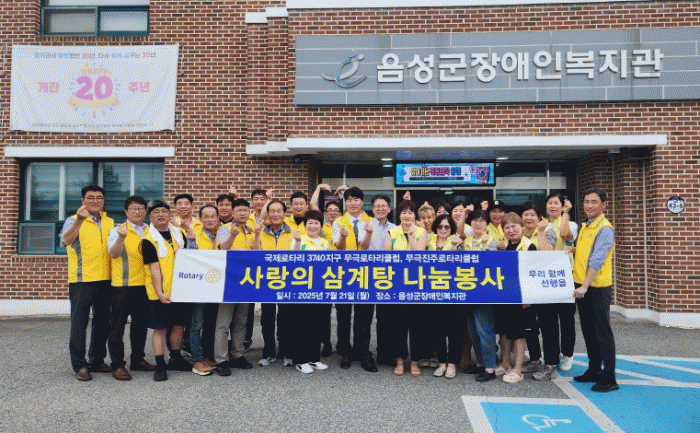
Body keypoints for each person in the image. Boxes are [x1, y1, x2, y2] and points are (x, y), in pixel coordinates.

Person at [62, 185, 115, 381]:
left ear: (103, 201)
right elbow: (67, 241)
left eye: (99, 197)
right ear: (83, 201)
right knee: (79, 324)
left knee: (102, 323)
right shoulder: (72, 220)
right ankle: (80, 365)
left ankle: (97, 360)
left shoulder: (109, 222)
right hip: (82, 280)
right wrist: (79, 220)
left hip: (106, 280)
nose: (95, 201)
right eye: (90, 197)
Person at [142, 199, 197, 381]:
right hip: (160, 292)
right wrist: (160, 293)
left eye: (164, 211)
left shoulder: (178, 234)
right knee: (160, 328)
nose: (161, 215)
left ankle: (175, 358)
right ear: (150, 217)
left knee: (179, 325)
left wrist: (190, 236)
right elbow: (154, 269)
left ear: (169, 215)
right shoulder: (148, 239)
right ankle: (160, 365)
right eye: (156, 212)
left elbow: (191, 256)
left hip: (179, 289)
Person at [573, 188, 618, 392]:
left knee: (602, 332)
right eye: (586, 201)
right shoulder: (587, 225)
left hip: (596, 287)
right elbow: (586, 252)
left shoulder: (604, 228)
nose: (589, 205)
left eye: (594, 202)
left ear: (604, 205)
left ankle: (609, 377)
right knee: (589, 330)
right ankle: (593, 369)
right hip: (582, 285)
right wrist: (572, 249)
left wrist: (585, 285)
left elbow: (597, 258)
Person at [106, 195, 154, 381]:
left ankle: (138, 359)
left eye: (141, 208)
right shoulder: (118, 230)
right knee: (117, 327)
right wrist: (121, 238)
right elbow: (113, 253)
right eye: (133, 208)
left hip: (144, 286)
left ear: (146, 212)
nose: (137, 212)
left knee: (140, 326)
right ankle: (118, 365)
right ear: (126, 212)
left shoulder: (150, 230)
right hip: (123, 286)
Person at [332, 186, 377, 372]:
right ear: (345, 202)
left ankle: (363, 352)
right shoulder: (338, 222)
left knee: (364, 316)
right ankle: (345, 352)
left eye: (356, 199)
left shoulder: (371, 221)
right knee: (343, 316)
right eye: (349, 200)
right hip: (343, 274)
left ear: (362, 202)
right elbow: (338, 247)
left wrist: (368, 232)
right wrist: (343, 237)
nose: (353, 203)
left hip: (366, 274)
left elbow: (369, 247)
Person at [384, 200, 428, 377]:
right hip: (396, 285)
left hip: (416, 285)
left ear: (415, 215)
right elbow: (386, 256)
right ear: (399, 215)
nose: (407, 215)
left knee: (416, 325)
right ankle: (400, 360)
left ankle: (415, 362)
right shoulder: (391, 232)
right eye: (404, 212)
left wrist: (410, 236)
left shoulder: (421, 232)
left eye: (410, 212)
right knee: (397, 326)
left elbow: (419, 254)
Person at [214, 198, 257, 376]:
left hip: (246, 281)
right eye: (239, 210)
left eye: (245, 210)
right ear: (233, 213)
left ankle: (237, 354)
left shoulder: (250, 229)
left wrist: (258, 234)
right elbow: (222, 249)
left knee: (241, 320)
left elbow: (257, 252)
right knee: (224, 323)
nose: (242, 213)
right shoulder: (225, 229)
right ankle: (221, 359)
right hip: (228, 281)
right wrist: (232, 235)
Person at [494, 212, 537, 384]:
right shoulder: (504, 246)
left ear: (522, 227)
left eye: (514, 226)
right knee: (505, 331)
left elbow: (532, 274)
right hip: (506, 296)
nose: (511, 230)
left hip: (522, 298)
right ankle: (505, 363)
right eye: (507, 227)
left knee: (519, 333)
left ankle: (518, 369)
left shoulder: (529, 246)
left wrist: (528, 297)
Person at [254, 199, 295, 367]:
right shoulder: (261, 232)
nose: (276, 214)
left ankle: (286, 351)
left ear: (285, 213)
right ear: (268, 214)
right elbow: (255, 253)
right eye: (272, 211)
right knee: (267, 318)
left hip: (288, 281)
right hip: (267, 280)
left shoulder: (293, 232)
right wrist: (256, 235)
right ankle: (269, 352)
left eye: (279, 211)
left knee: (286, 318)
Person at [289, 210, 331, 374]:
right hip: (302, 289)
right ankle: (301, 360)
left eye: (316, 223)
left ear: (321, 225)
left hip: (320, 289)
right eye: (310, 223)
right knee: (302, 325)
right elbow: (292, 259)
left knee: (317, 324)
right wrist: (298, 242)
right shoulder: (298, 239)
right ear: (305, 225)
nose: (313, 226)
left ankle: (314, 358)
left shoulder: (325, 243)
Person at [359, 194, 396, 366]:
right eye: (377, 206)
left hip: (387, 276)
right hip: (367, 275)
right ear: (372, 209)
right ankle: (365, 355)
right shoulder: (365, 225)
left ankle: (384, 353)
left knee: (385, 318)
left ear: (389, 209)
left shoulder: (395, 228)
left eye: (383, 206)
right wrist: (368, 233)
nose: (380, 209)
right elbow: (363, 246)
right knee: (365, 318)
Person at [462, 209, 498, 382]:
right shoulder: (466, 241)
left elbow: (493, 264)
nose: (478, 224)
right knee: (473, 331)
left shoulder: (492, 241)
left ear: (487, 224)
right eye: (475, 220)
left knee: (485, 331)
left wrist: (485, 247)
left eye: (482, 221)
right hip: (468, 290)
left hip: (484, 291)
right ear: (470, 223)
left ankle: (490, 368)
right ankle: (480, 363)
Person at [426, 214, 462, 379]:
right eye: (440, 226)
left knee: (454, 330)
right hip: (433, 291)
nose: (443, 229)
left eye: (447, 227)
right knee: (437, 329)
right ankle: (442, 362)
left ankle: (452, 364)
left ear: (451, 228)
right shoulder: (429, 242)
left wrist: (454, 247)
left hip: (453, 291)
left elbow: (461, 265)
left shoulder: (457, 242)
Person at [545, 192, 578, 372]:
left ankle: (567, 354)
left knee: (566, 319)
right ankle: (552, 355)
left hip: (565, 277)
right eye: (550, 203)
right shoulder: (542, 224)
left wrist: (566, 212)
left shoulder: (571, 223)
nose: (552, 206)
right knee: (549, 320)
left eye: (556, 203)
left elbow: (565, 234)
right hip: (545, 277)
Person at [188, 205, 220, 376]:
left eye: (213, 216)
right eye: (206, 216)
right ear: (200, 219)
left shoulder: (222, 234)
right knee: (197, 323)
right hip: (199, 286)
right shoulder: (194, 234)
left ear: (218, 218)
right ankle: (197, 359)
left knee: (211, 323)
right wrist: (191, 241)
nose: (210, 219)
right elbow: (189, 258)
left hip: (217, 286)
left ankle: (208, 356)